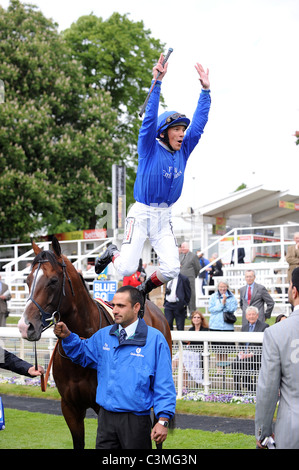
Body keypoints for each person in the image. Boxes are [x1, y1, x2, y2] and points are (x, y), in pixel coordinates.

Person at [95, 54, 211, 304]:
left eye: (182, 130)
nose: (182, 134)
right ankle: (112, 252)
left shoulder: (184, 149)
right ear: (164, 132)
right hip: (142, 213)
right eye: (177, 129)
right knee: (125, 268)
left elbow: (199, 125)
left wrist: (205, 91)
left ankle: (144, 290)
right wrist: (156, 83)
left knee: (171, 269)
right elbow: (149, 120)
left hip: (164, 217)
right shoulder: (149, 147)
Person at [54, 285, 176, 449]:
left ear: (136, 308)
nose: (115, 310)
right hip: (106, 420)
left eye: (121, 306)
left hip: (136, 421)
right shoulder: (104, 335)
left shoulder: (155, 340)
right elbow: (82, 353)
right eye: (113, 305)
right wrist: (68, 337)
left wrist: (163, 420)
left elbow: (164, 384)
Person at [255, 267, 299, 449]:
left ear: (294, 291)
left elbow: (268, 389)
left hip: (292, 429)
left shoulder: (277, 332)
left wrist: (263, 432)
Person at [231, 306, 269, 394]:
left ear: (257, 315)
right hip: (244, 355)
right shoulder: (244, 327)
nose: (251, 316)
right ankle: (238, 389)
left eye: (253, 314)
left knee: (245, 364)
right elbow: (241, 343)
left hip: (257, 356)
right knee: (235, 364)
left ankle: (250, 387)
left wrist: (252, 353)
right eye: (249, 314)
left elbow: (265, 344)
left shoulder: (264, 326)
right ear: (246, 316)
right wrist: (241, 351)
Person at [172, 311, 209, 388]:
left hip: (198, 354)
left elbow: (200, 343)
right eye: (194, 317)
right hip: (190, 353)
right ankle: (184, 386)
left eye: (198, 317)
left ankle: (170, 379)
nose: (196, 319)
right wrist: (186, 341)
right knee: (181, 362)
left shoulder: (205, 330)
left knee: (181, 357)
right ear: (192, 319)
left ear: (201, 319)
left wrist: (189, 340)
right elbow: (186, 342)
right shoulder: (191, 330)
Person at [208, 280, 238, 370]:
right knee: (217, 350)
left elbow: (232, 309)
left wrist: (225, 303)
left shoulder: (232, 297)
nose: (222, 288)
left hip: (227, 326)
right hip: (215, 326)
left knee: (225, 349)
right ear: (218, 287)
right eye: (221, 287)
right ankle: (219, 369)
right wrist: (222, 304)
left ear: (227, 287)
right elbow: (211, 309)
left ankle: (224, 368)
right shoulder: (213, 296)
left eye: (224, 287)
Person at [179, 242, 200, 313]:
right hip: (181, 279)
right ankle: (183, 312)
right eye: (182, 247)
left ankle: (192, 312)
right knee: (181, 295)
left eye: (184, 247)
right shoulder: (180, 256)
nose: (182, 248)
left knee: (191, 295)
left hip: (190, 279)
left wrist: (194, 276)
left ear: (188, 247)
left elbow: (197, 268)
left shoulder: (193, 256)